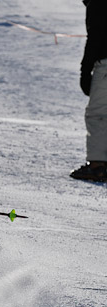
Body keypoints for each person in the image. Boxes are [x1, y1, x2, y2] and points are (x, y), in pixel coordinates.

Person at [70, 0, 107, 182]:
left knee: (98, 114)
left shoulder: (98, 3)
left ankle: (97, 166)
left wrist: (85, 70)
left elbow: (95, 36)